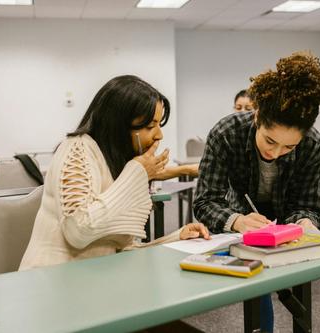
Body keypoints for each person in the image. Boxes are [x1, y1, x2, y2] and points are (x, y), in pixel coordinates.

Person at [193, 52, 320, 333]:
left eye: (288, 147)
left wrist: (305, 224)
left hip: (294, 206)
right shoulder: (226, 133)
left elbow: (306, 205)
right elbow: (205, 201)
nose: (275, 153)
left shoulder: (313, 145)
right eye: (270, 140)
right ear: (257, 116)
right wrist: (238, 221)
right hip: (246, 211)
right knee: (256, 272)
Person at [20, 75, 210, 271]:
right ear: (118, 125)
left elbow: (119, 249)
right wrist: (137, 171)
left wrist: (176, 237)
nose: (159, 135)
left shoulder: (116, 162)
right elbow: (79, 230)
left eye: (159, 125)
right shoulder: (77, 149)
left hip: (92, 279)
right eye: (149, 126)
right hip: (53, 281)